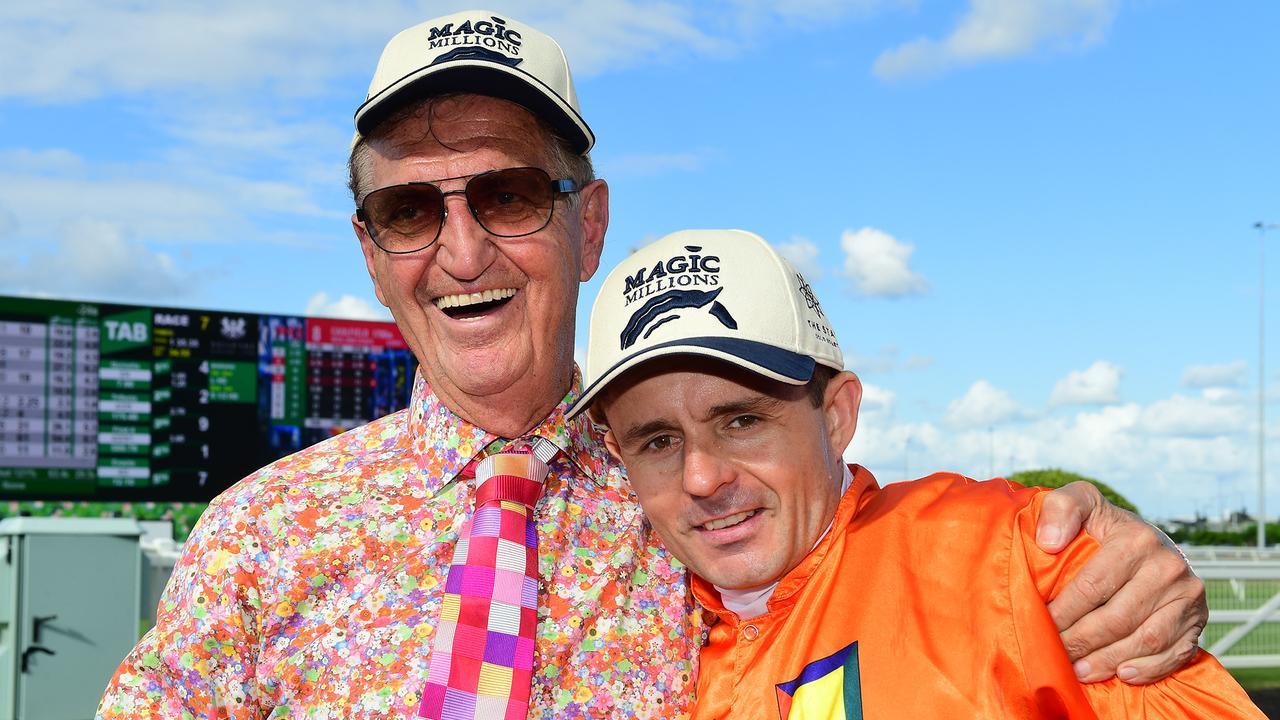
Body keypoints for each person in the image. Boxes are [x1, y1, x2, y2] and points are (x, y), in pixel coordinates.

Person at [98, 10, 1209, 720]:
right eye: (407, 210)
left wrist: (1079, 555)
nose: (463, 249)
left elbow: (894, 565)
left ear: (589, 227)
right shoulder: (258, 536)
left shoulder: (686, 507)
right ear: (371, 253)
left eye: (509, 194)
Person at [569, 228, 1262, 719]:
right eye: (658, 440)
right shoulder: (639, 640)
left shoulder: (1018, 563)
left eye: (741, 420)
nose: (700, 476)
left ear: (837, 416)